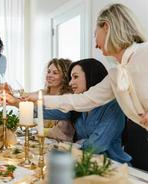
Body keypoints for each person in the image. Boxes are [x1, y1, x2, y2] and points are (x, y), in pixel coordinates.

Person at [27, 3, 148, 168]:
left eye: (94, 34)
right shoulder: (115, 74)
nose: (96, 44)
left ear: (106, 27)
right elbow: (83, 100)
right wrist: (38, 98)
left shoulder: (144, 53)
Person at [43, 59, 130, 163]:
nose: (70, 83)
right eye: (71, 78)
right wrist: (25, 104)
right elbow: (46, 112)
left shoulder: (113, 106)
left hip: (113, 166)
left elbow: (97, 146)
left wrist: (77, 144)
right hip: (84, 162)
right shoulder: (77, 105)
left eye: (75, 77)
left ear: (90, 76)